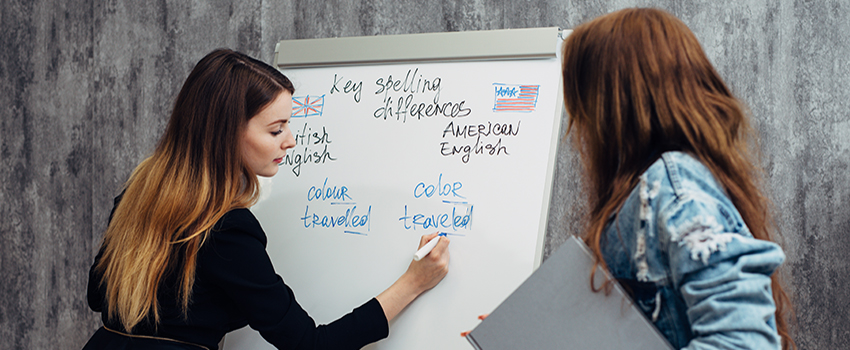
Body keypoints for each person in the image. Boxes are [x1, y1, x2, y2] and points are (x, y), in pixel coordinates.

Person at [83, 49, 450, 350]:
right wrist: (415, 282)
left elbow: (99, 297)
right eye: (276, 129)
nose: (290, 140)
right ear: (227, 133)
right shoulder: (226, 229)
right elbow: (310, 345)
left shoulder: (138, 193)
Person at [560, 8, 794, 350]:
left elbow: (744, 344)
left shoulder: (673, 189)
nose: (581, 127)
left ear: (611, 104)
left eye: (582, 106)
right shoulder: (654, 192)